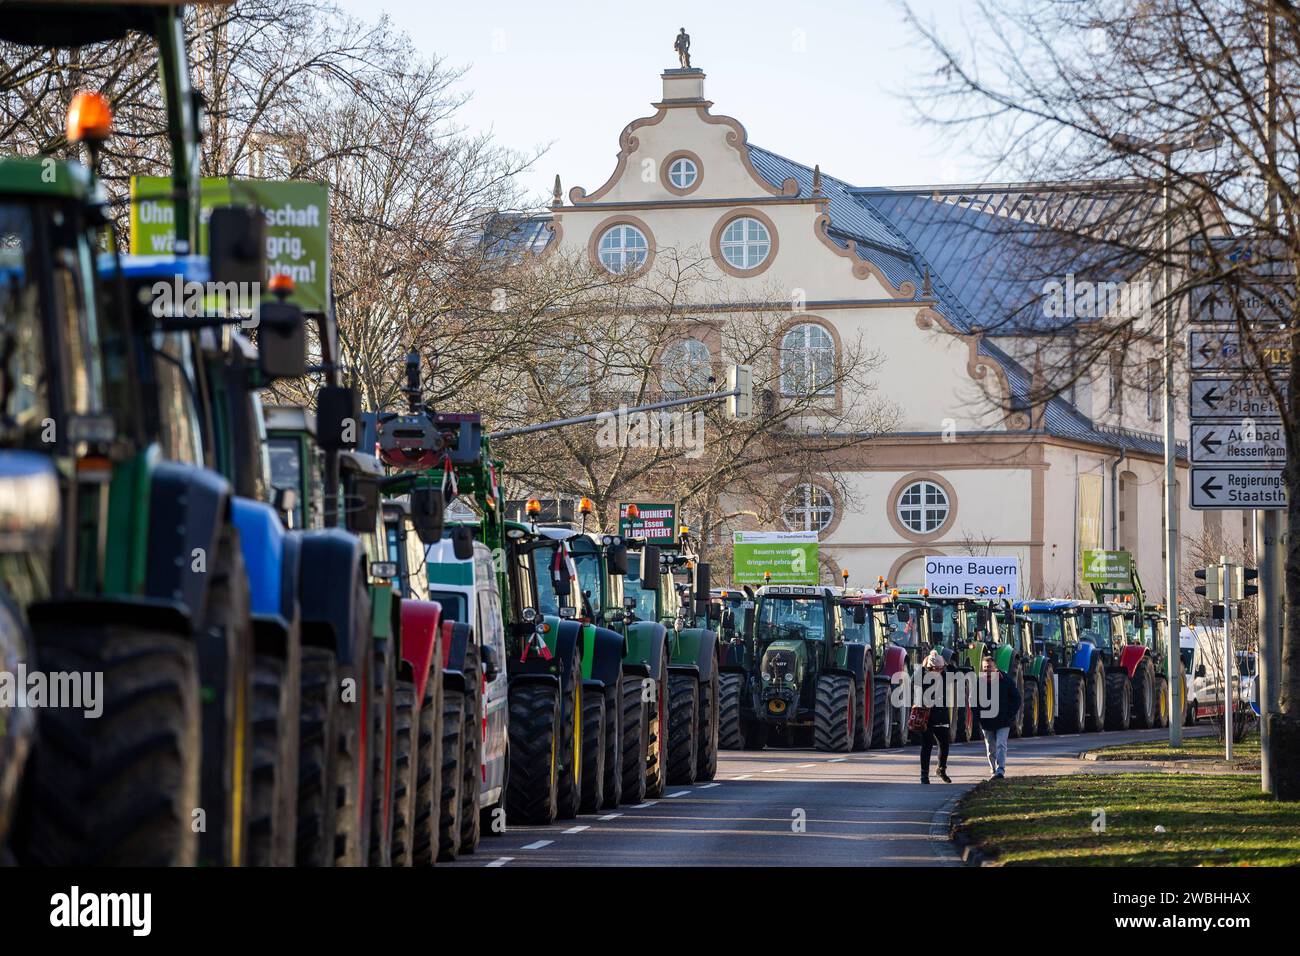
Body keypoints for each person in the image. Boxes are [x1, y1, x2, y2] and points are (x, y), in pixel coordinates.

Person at [978, 655, 1022, 780]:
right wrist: (979, 718)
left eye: (989, 667)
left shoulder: (1006, 680)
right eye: (985, 667)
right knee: (990, 748)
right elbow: (973, 701)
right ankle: (993, 770)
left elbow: (1017, 699)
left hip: (1003, 721)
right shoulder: (979, 682)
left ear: (995, 667)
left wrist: (1009, 715)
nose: (987, 670)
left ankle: (1000, 771)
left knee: (1001, 745)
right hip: (986, 722)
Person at [918, 650, 951, 784]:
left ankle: (941, 769)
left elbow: (954, 672)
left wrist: (944, 662)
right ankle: (924, 775)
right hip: (926, 715)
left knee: (944, 744)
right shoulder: (921, 675)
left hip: (941, 714)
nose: (937, 671)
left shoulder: (946, 674)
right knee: (927, 745)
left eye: (940, 668)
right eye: (934, 668)